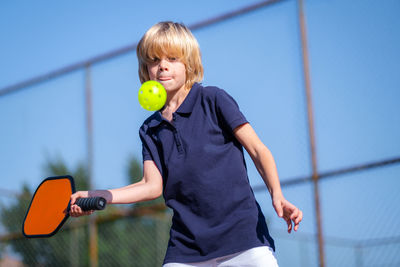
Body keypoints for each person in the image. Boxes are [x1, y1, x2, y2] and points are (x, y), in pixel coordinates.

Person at [70, 21, 303, 267]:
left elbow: (258, 150)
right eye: (154, 60)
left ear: (189, 63)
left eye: (172, 58)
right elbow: (151, 186)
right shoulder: (150, 129)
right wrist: (98, 195)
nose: (163, 66)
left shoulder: (214, 100)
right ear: (145, 69)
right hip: (187, 249)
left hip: (244, 240)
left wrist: (277, 194)